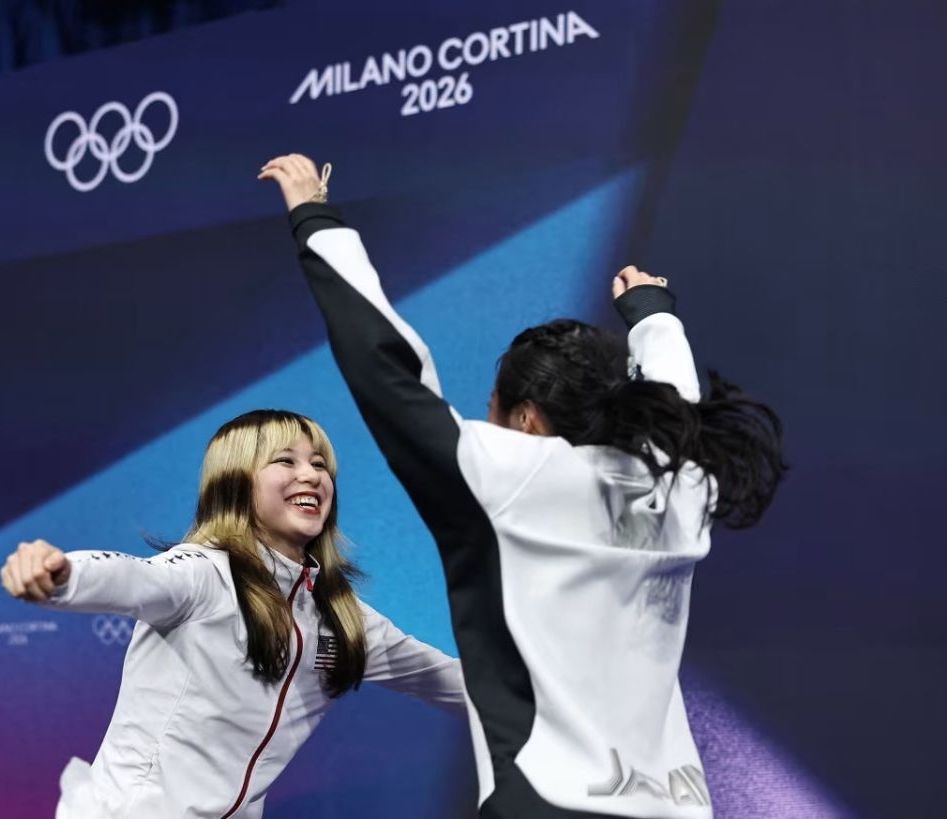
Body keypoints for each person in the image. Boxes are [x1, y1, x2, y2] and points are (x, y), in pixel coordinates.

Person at [259, 154, 785, 818]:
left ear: (527, 420)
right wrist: (654, 318)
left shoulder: (510, 481)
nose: (485, 425)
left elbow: (384, 369)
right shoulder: (681, 483)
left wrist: (316, 219)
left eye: (492, 409)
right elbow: (677, 407)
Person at [0, 409, 466, 819]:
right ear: (236, 481)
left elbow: (455, 683)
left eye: (320, 464)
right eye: (286, 461)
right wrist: (60, 574)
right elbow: (132, 576)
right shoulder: (204, 574)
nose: (311, 475)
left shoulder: (341, 616)